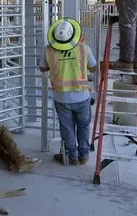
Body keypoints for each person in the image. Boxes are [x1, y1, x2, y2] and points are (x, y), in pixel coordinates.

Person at [39, 18, 97, 165]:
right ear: (74, 34)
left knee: (67, 128)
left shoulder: (49, 50)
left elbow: (42, 68)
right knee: (83, 126)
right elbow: (94, 67)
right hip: (82, 96)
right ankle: (84, 155)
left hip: (61, 97)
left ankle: (72, 157)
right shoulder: (84, 48)